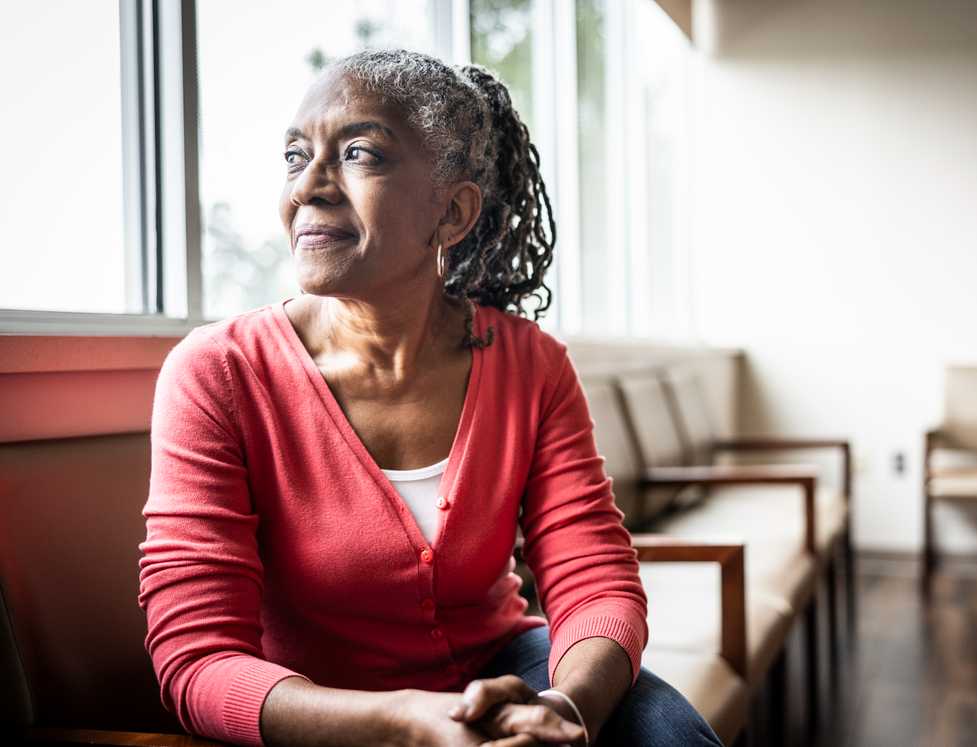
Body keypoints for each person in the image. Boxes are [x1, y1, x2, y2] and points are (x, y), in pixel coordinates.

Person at [138, 48, 721, 747]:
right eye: (296, 157)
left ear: (451, 212)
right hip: (318, 710)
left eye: (359, 153)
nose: (310, 187)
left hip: (507, 668)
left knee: (669, 733)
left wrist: (565, 709)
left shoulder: (530, 363)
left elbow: (592, 576)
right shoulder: (217, 372)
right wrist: (405, 722)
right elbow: (196, 659)